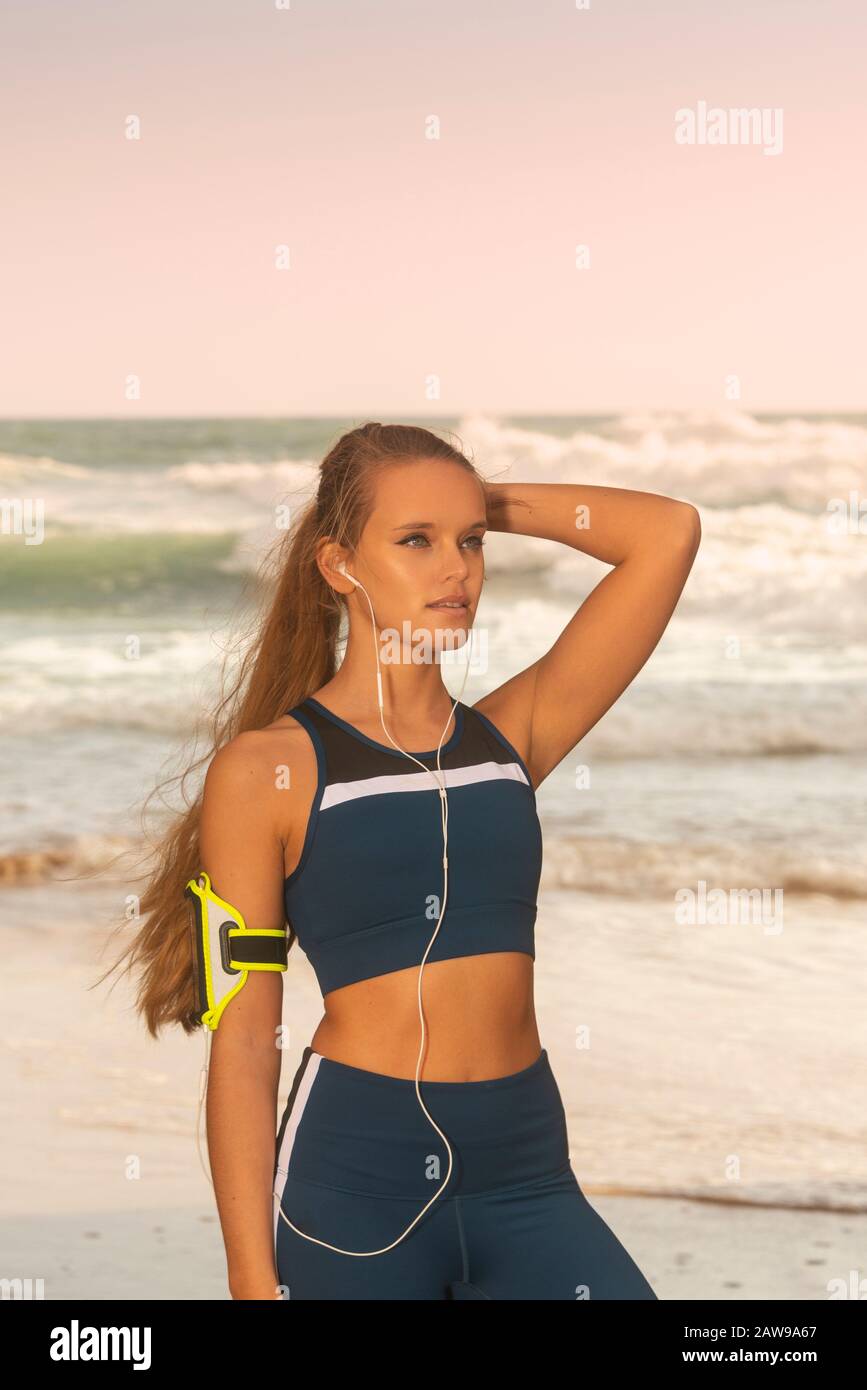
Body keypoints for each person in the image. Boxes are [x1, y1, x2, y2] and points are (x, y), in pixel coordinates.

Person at [111, 421, 700, 1300]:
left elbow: (667, 533)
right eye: (415, 541)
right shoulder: (267, 771)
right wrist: (247, 1274)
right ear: (337, 563)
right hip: (356, 1182)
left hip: (526, 1171)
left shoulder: (512, 736)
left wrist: (480, 502)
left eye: (470, 543)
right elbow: (243, 1040)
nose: (456, 568)